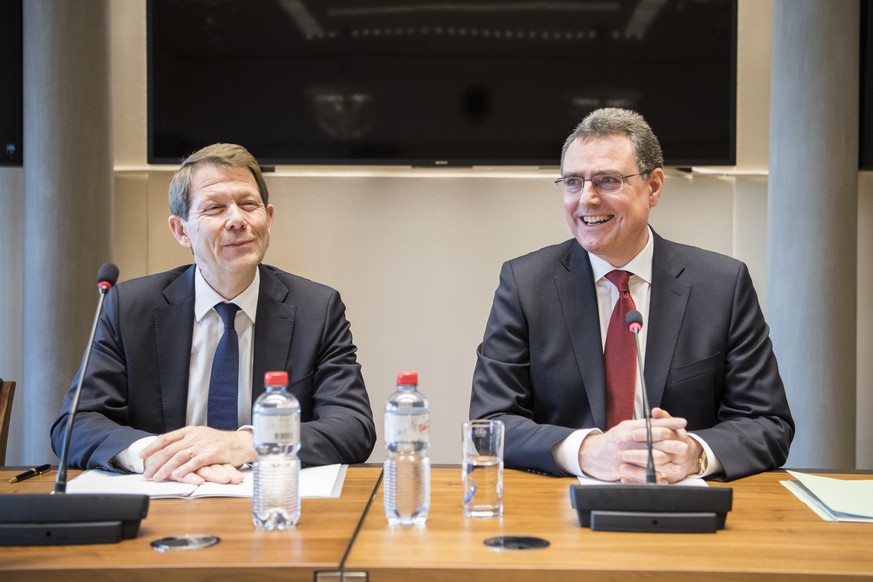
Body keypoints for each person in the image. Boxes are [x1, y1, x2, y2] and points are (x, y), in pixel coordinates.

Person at [469, 108, 793, 483]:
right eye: (573, 182)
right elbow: (489, 423)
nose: (586, 199)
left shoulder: (722, 285)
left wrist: (695, 454)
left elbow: (768, 423)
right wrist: (588, 451)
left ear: (653, 186)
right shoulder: (525, 284)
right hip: (561, 507)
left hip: (681, 504)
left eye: (607, 180)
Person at [51, 143, 376, 485]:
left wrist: (245, 443)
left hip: (271, 499)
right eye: (215, 208)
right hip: (166, 498)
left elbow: (353, 426)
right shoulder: (130, 308)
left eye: (249, 205)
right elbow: (76, 423)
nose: (237, 220)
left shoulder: (316, 308)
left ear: (269, 217)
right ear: (181, 230)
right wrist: (160, 455)